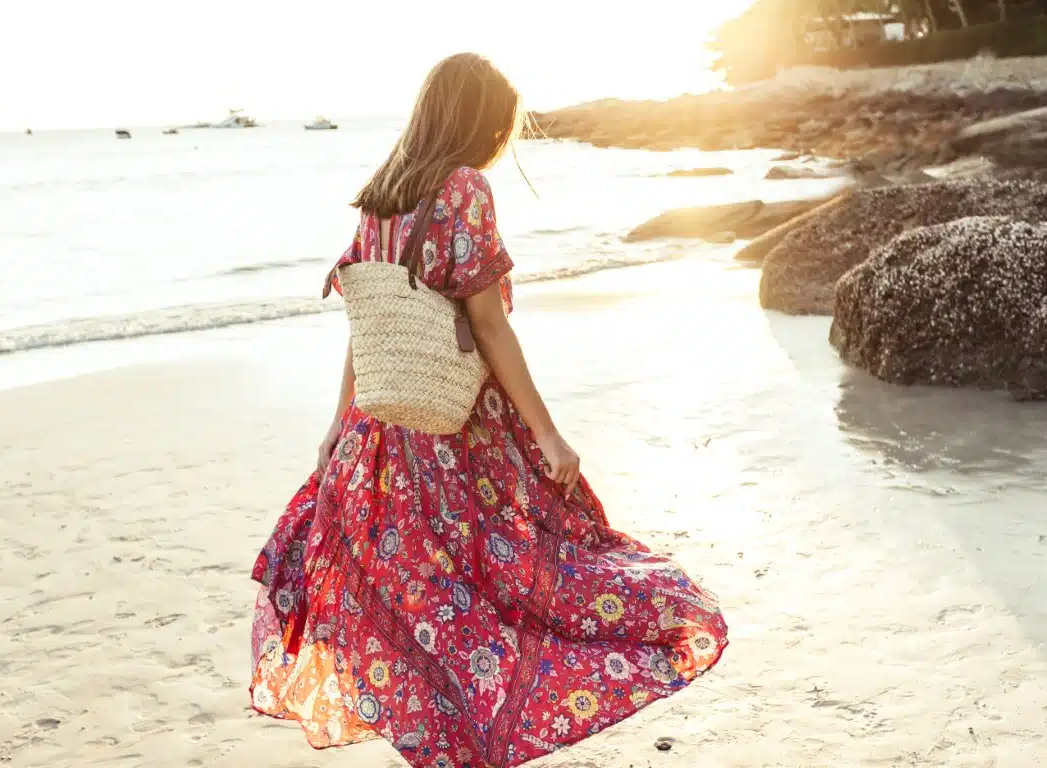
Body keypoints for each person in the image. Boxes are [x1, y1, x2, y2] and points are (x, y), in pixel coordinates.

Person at [249, 52, 728, 768]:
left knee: (428, 601)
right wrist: (549, 433)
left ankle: (447, 746)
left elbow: (370, 323)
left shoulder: (380, 195)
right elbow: (490, 325)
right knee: (522, 583)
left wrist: (335, 427)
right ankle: (474, 743)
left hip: (380, 439)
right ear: (479, 122)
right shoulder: (463, 188)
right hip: (456, 437)